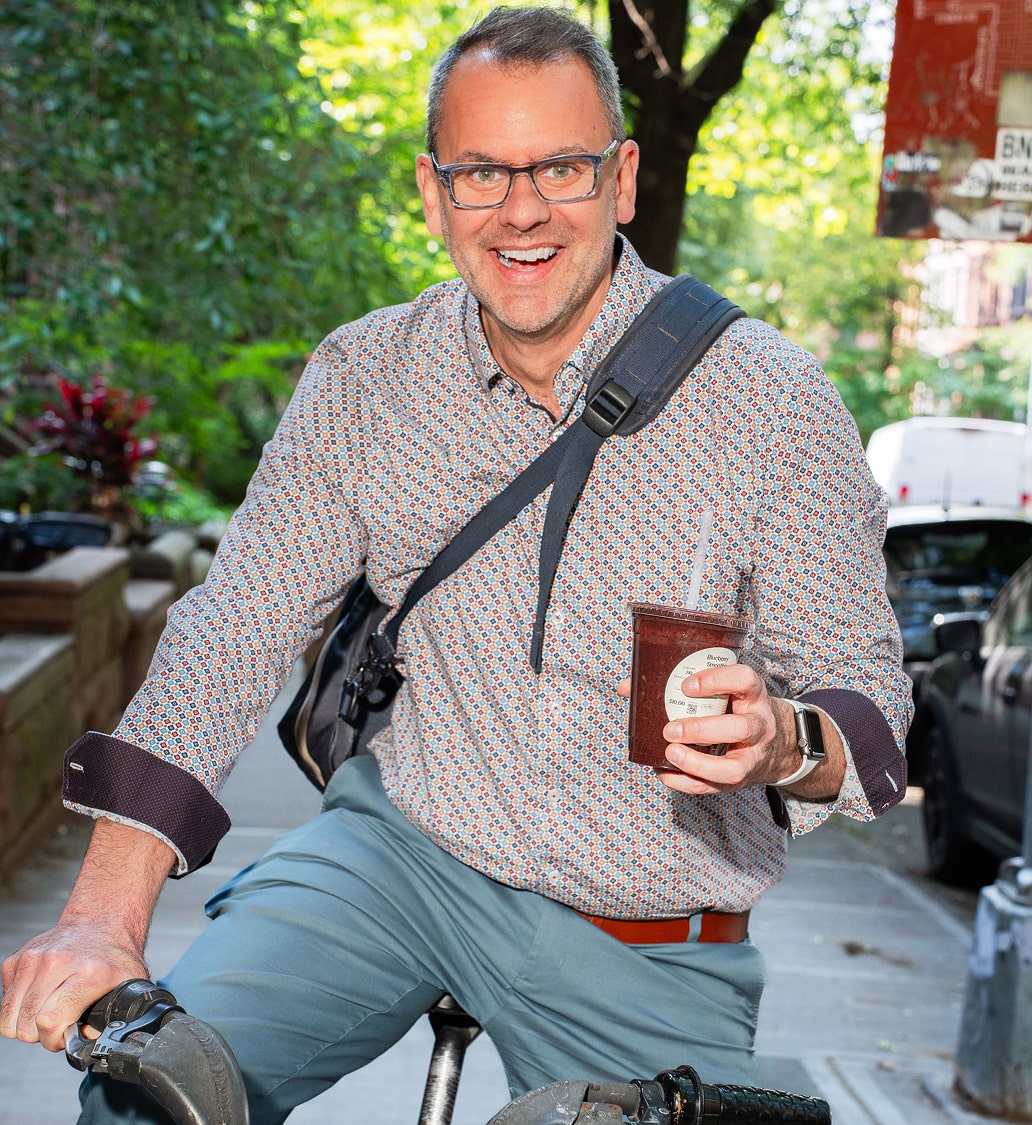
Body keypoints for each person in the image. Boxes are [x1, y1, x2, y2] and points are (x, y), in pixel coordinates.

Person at [0, 6, 912, 1123]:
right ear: (435, 195)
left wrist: (784, 739)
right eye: (482, 173)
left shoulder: (772, 399)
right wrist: (103, 916)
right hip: (395, 860)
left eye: (562, 168)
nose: (522, 210)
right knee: (150, 1092)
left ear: (622, 180)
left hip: (644, 927)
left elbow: (870, 704)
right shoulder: (366, 378)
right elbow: (233, 628)